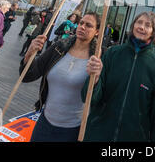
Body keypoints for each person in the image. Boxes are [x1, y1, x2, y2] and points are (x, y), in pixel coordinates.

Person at [81, 11, 155, 142]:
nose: (142, 27)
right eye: (139, 22)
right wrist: (95, 79)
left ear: (153, 32)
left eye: (148, 25)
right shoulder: (113, 54)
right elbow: (88, 98)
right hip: (98, 134)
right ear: (132, 26)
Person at [19, 13, 101, 142]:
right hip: (44, 122)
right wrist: (29, 54)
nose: (83, 27)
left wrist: (97, 79)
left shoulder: (99, 58)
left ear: (97, 32)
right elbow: (28, 76)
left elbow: (99, 98)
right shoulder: (59, 47)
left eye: (89, 25)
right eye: (81, 23)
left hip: (73, 130)